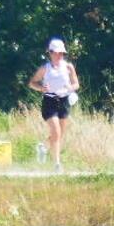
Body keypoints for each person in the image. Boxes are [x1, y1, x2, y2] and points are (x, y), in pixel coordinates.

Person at [28, 38, 80, 172]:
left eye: (62, 53)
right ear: (50, 53)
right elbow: (32, 83)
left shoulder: (68, 67)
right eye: (57, 53)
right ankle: (57, 164)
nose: (59, 56)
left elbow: (76, 84)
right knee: (56, 131)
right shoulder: (45, 69)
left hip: (64, 100)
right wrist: (41, 88)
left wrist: (70, 87)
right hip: (49, 101)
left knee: (60, 134)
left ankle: (44, 147)